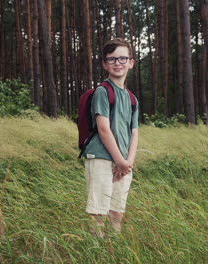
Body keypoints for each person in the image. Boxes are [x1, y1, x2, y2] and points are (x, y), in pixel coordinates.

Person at [82, 38, 139, 237]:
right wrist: (120, 161)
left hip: (122, 163)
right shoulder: (102, 92)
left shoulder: (132, 98)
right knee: (99, 212)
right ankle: (96, 251)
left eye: (123, 58)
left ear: (131, 62)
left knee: (117, 212)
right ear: (105, 64)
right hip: (101, 159)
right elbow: (104, 129)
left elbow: (134, 132)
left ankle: (113, 249)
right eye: (112, 59)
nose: (118, 63)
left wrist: (127, 163)